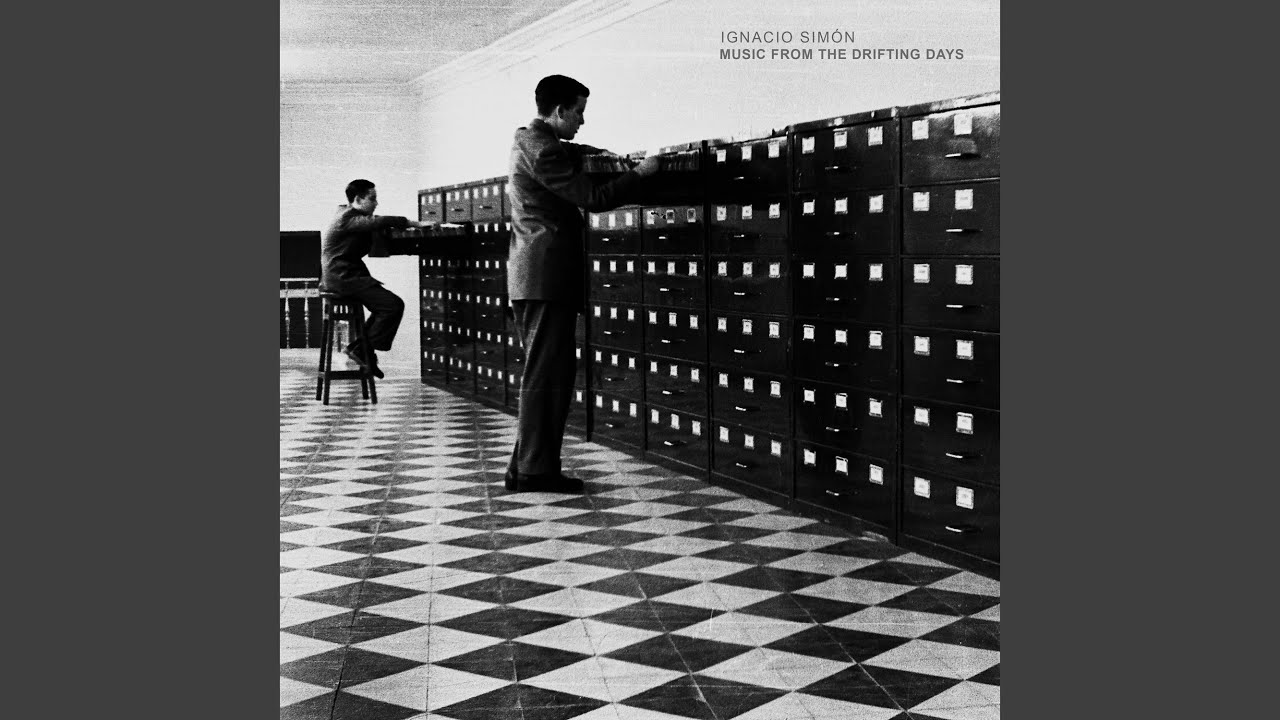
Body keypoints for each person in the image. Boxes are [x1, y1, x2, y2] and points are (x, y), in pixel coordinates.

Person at [505, 74, 661, 494]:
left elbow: (572, 150)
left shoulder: (530, 139)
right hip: (546, 276)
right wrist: (640, 173)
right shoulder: (544, 151)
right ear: (559, 111)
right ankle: (534, 471)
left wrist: (605, 155)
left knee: (546, 373)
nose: (582, 121)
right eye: (578, 113)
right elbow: (594, 199)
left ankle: (526, 466)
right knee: (546, 375)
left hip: (535, 276)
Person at [320, 179, 429, 379]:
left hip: (345, 276)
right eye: (372, 198)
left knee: (385, 306)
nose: (376, 203)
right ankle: (362, 350)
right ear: (358, 199)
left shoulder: (347, 215)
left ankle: (361, 350)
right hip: (343, 277)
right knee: (392, 305)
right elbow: (377, 221)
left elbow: (373, 225)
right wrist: (413, 223)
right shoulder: (346, 217)